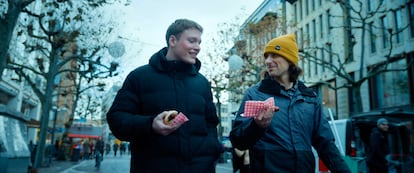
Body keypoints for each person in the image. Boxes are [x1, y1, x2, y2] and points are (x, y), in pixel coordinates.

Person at [106, 18, 221, 173]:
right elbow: (116, 119)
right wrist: (150, 124)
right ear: (172, 40)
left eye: (199, 42)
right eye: (192, 41)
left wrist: (211, 154)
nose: (197, 47)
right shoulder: (139, 77)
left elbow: (211, 124)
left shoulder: (202, 83)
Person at [229, 34, 351, 173]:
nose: (268, 61)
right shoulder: (254, 94)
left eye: (274, 55)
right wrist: (257, 126)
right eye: (266, 56)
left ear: (290, 59)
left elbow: (326, 144)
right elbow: (238, 140)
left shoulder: (310, 98)